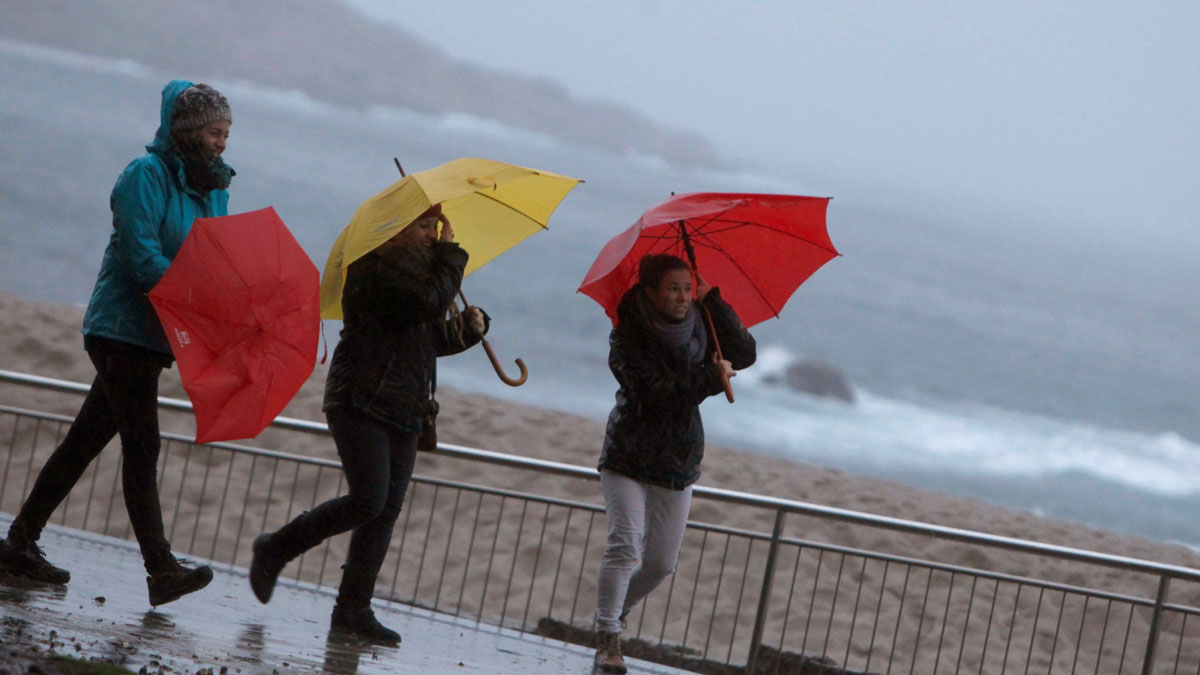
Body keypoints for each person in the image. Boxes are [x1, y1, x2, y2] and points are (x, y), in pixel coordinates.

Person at [0, 80, 234, 606]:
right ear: (189, 129)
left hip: (158, 337)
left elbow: (215, 256)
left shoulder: (214, 188)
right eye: (216, 132)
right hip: (120, 329)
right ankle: (160, 570)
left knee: (83, 442)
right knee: (142, 447)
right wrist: (192, 293)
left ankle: (18, 542)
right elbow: (140, 254)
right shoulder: (143, 175)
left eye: (227, 134)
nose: (222, 143)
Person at [248, 204, 488, 646]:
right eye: (421, 224)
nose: (433, 233)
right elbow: (419, 304)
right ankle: (277, 547)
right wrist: (451, 258)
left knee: (384, 512)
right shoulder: (373, 267)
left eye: (434, 225)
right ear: (395, 228)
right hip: (361, 398)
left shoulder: (422, 273)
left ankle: (352, 609)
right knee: (368, 500)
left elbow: (424, 341)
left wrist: (466, 331)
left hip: (405, 405)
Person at [591, 253, 756, 673]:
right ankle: (608, 637)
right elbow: (656, 391)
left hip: (678, 458)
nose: (683, 297)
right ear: (651, 293)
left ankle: (611, 615)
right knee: (625, 545)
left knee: (661, 563)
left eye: (688, 287)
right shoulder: (628, 334)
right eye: (673, 288)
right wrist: (710, 379)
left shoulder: (703, 324)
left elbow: (746, 352)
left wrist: (713, 299)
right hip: (629, 453)